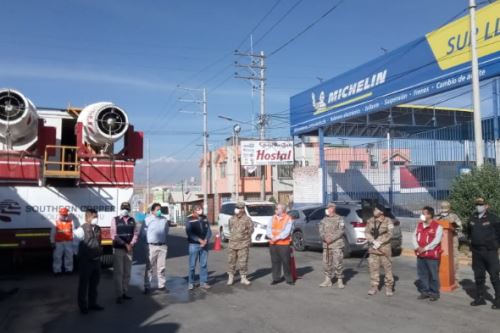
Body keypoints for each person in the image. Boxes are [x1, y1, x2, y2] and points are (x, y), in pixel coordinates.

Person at [467, 197, 500, 309]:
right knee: (479, 276)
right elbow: (469, 232)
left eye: (481, 204)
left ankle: (498, 299)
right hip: (477, 252)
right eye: (477, 204)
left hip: (490, 252)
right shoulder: (472, 218)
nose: (479, 206)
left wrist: (496, 246)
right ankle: (480, 298)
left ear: (486, 206)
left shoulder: (493, 218)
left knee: (494, 276)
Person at [111, 202, 140, 304]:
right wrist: (125, 244)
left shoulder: (133, 220)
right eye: (123, 208)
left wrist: (131, 244)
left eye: (127, 208)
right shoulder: (115, 220)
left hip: (129, 249)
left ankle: (124, 292)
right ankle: (119, 294)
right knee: (119, 272)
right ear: (120, 208)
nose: (125, 209)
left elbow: (136, 234)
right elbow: (114, 235)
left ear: (129, 209)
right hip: (119, 249)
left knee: (127, 272)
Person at [413, 206, 443, 301]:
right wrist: (417, 247)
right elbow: (414, 236)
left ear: (430, 215)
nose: (421, 215)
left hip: (431, 255)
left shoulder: (438, 227)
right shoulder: (419, 225)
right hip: (420, 255)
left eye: (424, 213)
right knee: (422, 274)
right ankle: (425, 292)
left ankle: (434, 293)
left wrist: (425, 248)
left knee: (433, 275)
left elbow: (436, 241)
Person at [77, 208, 104, 314]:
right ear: (87, 218)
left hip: (96, 261)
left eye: (96, 216)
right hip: (86, 261)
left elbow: (99, 242)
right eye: (94, 217)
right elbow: (75, 244)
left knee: (94, 284)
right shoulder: (81, 230)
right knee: (83, 285)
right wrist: (81, 256)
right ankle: (83, 306)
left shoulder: (98, 229)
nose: (96, 219)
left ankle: (93, 303)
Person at [365, 204, 394, 296]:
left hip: (384, 249)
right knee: (373, 268)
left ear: (381, 211)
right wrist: (373, 241)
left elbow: (390, 234)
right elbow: (367, 232)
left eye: (376, 209)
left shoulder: (388, 221)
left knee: (387, 269)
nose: (374, 211)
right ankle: (374, 286)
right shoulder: (370, 220)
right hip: (373, 248)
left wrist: (380, 241)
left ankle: (389, 287)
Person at [185, 205, 212, 291]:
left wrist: (206, 240)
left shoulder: (204, 218)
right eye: (198, 209)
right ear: (194, 211)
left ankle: (203, 282)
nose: (201, 210)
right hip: (194, 245)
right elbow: (189, 233)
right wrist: (199, 240)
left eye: (201, 209)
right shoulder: (189, 219)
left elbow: (209, 231)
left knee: (203, 264)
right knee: (192, 265)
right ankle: (191, 283)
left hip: (204, 244)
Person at [227, 202, 254, 286]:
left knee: (243, 262)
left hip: (243, 244)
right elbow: (230, 228)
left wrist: (245, 235)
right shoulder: (231, 219)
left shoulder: (247, 219)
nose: (237, 209)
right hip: (232, 244)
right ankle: (230, 277)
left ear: (242, 209)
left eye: (239, 208)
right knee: (231, 261)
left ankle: (243, 278)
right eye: (237, 208)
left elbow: (251, 230)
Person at [319, 203, 345, 289]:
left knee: (338, 262)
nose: (328, 209)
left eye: (330, 207)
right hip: (326, 245)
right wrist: (324, 237)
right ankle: (327, 280)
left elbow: (341, 231)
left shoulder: (339, 218)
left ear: (333, 208)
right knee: (326, 263)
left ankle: (340, 280)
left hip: (336, 244)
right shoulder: (324, 219)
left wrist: (332, 239)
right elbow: (320, 230)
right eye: (328, 208)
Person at [267, 203, 294, 286]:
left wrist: (277, 237)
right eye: (276, 208)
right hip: (273, 243)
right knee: (275, 262)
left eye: (277, 208)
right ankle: (276, 278)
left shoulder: (288, 218)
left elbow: (287, 232)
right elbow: (268, 228)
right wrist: (271, 236)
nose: (275, 209)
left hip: (283, 244)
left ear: (282, 209)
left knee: (286, 262)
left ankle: (289, 279)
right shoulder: (273, 217)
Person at [146, 203, 170, 292]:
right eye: (157, 209)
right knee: (149, 267)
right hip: (151, 246)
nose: (159, 211)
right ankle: (147, 286)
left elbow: (166, 231)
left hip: (162, 246)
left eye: (160, 209)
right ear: (152, 211)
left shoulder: (164, 219)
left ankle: (162, 285)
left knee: (161, 267)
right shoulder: (148, 220)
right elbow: (143, 234)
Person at [437, 201, 463, 281]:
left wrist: (454, 226)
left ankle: (455, 277)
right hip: (440, 241)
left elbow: (460, 227)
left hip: (453, 240)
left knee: (454, 258)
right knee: (441, 257)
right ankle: (441, 276)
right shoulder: (437, 217)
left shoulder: (454, 216)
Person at [50, 207, 75, 275]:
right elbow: (53, 233)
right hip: (58, 242)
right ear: (60, 214)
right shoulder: (56, 223)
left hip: (68, 242)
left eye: (65, 215)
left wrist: (74, 243)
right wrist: (52, 242)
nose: (64, 216)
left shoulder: (71, 222)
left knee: (69, 256)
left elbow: (74, 233)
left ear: (67, 215)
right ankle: (57, 271)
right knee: (57, 257)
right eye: (62, 215)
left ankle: (69, 270)